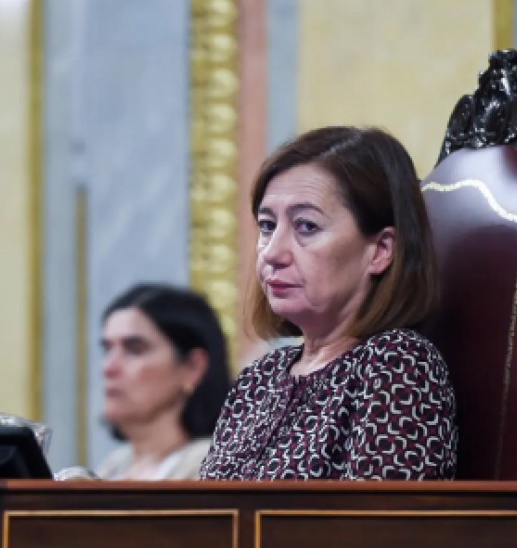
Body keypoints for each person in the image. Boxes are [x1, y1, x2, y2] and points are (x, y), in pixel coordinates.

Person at [199, 126, 457, 481]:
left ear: (381, 251)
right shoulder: (257, 380)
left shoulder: (396, 365)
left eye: (306, 226)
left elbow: (382, 529)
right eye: (267, 225)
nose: (272, 252)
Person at [95, 283, 232, 480]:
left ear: (193, 367)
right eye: (108, 349)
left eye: (134, 349)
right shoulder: (112, 469)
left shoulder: (218, 471)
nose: (108, 367)